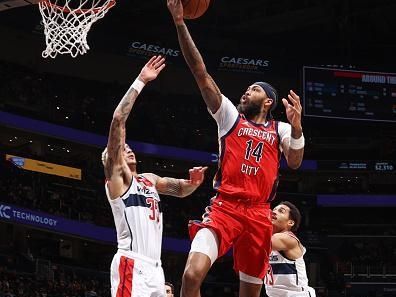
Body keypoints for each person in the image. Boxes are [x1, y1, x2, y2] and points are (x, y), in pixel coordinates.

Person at [167, 1, 305, 296]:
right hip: (224, 208)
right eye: (247, 88)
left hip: (258, 214)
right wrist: (180, 23)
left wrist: (296, 127)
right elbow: (200, 72)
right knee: (191, 275)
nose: (246, 91)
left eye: (254, 89)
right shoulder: (230, 116)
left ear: (268, 101)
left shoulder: (279, 129)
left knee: (249, 294)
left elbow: (294, 161)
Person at [102, 55, 207, 297]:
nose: (126, 148)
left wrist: (192, 183)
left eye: (128, 147)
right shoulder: (119, 182)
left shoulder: (148, 179)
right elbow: (118, 120)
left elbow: (180, 190)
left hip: (155, 268)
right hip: (132, 263)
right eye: (119, 150)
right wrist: (140, 81)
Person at [265, 201, 316, 297]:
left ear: (290, 222)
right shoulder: (272, 239)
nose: (274, 212)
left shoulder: (289, 238)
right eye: (274, 209)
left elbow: (261, 242)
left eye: (281, 211)